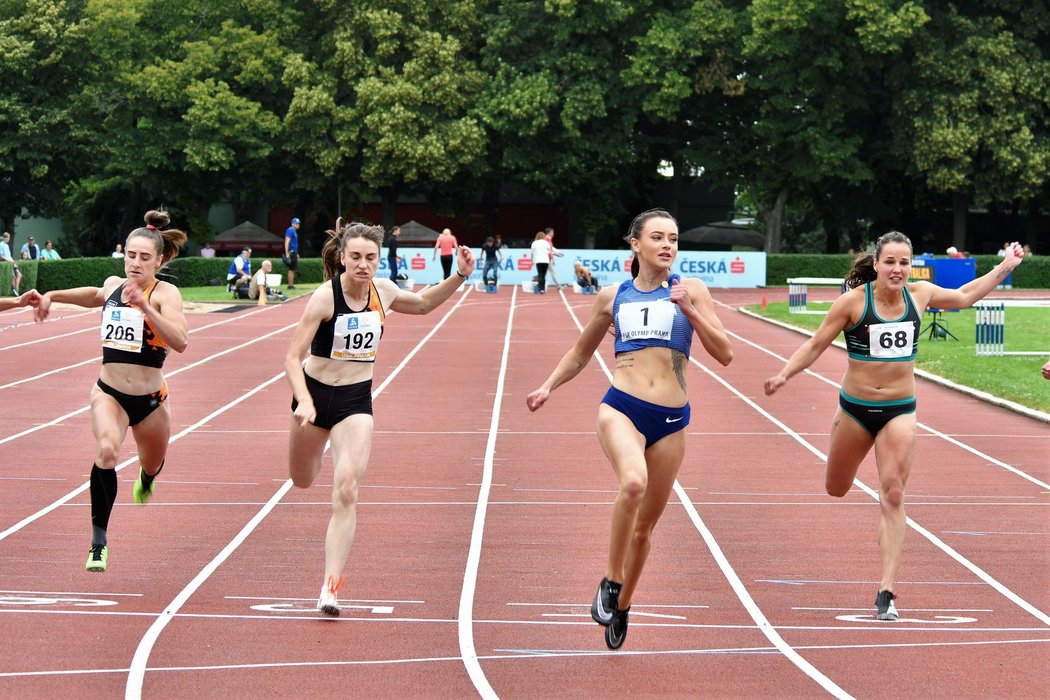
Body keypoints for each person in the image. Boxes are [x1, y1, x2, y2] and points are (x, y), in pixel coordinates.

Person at [763, 232, 1026, 622]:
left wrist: (1004, 267)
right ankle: (838, 428)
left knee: (893, 493)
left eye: (904, 262)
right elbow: (816, 344)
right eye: (890, 262)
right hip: (855, 410)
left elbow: (966, 296)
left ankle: (886, 589)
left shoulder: (920, 295)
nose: (898, 269)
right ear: (876, 264)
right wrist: (785, 374)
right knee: (836, 488)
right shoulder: (853, 303)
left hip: (900, 410)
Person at [526, 208, 733, 649]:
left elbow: (726, 352)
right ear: (635, 244)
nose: (667, 245)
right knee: (633, 483)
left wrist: (691, 311)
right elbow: (581, 353)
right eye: (657, 237)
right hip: (621, 406)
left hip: (673, 421)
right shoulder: (612, 296)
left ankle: (623, 604)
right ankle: (610, 580)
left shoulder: (692, 290)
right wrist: (548, 386)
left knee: (645, 530)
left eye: (673, 238)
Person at [283, 219, 475, 616]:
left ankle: (331, 587)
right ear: (341, 258)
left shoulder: (383, 292)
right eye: (355, 257)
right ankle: (314, 452)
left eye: (371, 257)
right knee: (302, 479)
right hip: (314, 398)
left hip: (355, 400)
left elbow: (421, 305)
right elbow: (291, 355)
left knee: (347, 489)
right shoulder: (323, 298)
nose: (363, 264)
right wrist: (302, 400)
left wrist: (459, 275)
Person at [31, 210, 189, 572]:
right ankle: (98, 541)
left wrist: (145, 306)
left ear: (160, 260)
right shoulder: (115, 284)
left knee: (151, 464)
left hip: (150, 401)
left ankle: (146, 479)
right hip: (110, 392)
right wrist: (53, 295)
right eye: (131, 255)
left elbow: (180, 341)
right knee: (106, 451)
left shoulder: (167, 294)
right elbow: (95, 294)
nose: (135, 262)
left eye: (144, 257)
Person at [285, 217, 301, 289]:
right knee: (291, 269)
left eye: (298, 223)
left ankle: (291, 284)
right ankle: (290, 285)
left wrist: (296, 253)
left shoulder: (294, 231)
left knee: (294, 269)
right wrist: (287, 253)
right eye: (296, 223)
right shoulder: (290, 230)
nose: (298, 225)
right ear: (292, 223)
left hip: (294, 251)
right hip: (291, 252)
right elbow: (287, 242)